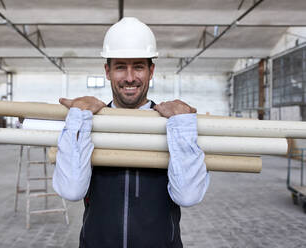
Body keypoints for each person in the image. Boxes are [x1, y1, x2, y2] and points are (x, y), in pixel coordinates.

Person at [53, 17, 210, 248]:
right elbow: (71, 190)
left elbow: (188, 196)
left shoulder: (174, 127)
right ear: (107, 71)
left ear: (151, 71)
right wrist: (79, 118)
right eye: (120, 67)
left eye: (138, 66)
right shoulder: (88, 124)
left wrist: (181, 125)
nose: (129, 77)